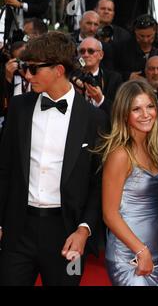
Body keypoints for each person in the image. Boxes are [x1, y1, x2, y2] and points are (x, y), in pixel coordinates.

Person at [0, 31, 108, 286]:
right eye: (25, 68)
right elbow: (4, 168)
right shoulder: (19, 108)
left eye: (34, 69)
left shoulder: (94, 119)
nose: (27, 75)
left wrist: (84, 229)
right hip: (18, 230)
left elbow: (98, 183)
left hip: (67, 233)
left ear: (58, 70)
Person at [100, 79, 158, 286]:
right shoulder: (120, 154)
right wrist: (141, 250)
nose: (146, 114)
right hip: (129, 254)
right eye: (136, 109)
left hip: (156, 249)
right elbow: (109, 214)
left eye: (150, 106)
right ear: (124, 114)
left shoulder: (154, 149)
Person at [75, 37, 123, 116]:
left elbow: (120, 110)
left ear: (101, 55)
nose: (86, 55)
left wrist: (101, 100)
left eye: (91, 51)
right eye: (82, 51)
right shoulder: (72, 78)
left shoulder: (114, 79)